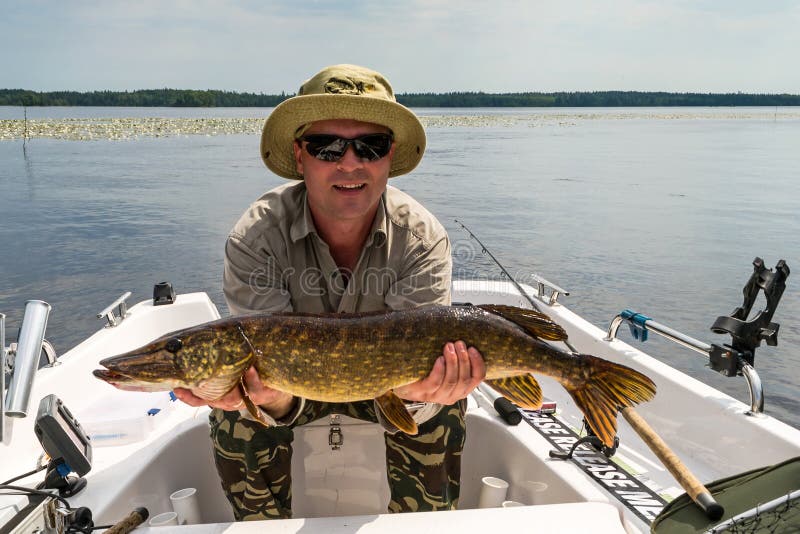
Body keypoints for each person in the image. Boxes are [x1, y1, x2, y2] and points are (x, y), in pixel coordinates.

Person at [174, 64, 486, 521]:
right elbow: (270, 384)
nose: (350, 163)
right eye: (327, 147)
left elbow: (417, 375)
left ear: (389, 155)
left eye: (370, 146)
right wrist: (267, 399)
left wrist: (426, 393)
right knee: (236, 416)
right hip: (287, 386)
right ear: (300, 156)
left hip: (394, 385)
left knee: (442, 409)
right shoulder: (255, 238)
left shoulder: (422, 240)